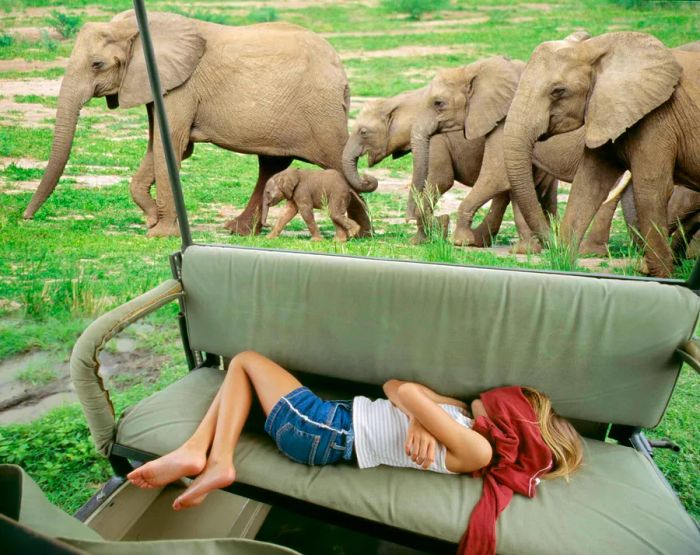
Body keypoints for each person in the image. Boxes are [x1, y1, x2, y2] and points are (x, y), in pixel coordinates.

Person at [127, 351, 583, 512]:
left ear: (516, 422)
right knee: (239, 374)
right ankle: (197, 452)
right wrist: (419, 416)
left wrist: (421, 410)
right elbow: (392, 386)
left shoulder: (479, 451)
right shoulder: (462, 415)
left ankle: (218, 459)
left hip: (325, 431)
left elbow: (408, 392)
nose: (491, 393)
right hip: (328, 422)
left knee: (245, 360)